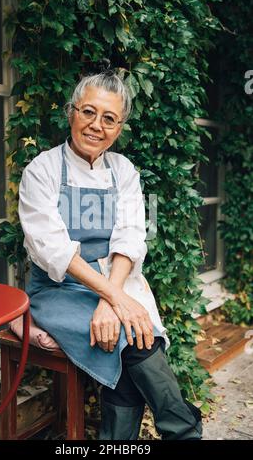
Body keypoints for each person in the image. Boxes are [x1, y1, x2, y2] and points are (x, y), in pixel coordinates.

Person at [18, 70, 202, 440]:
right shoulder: (42, 170)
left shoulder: (125, 171)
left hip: (116, 279)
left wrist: (111, 296)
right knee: (131, 334)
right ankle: (183, 431)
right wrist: (115, 298)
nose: (96, 126)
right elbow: (51, 247)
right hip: (57, 289)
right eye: (88, 112)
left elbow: (132, 237)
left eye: (109, 119)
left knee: (131, 331)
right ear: (71, 112)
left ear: (120, 127)